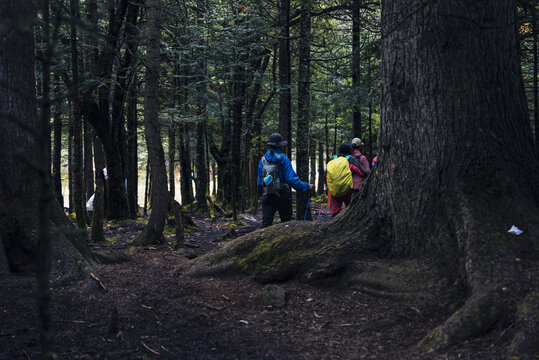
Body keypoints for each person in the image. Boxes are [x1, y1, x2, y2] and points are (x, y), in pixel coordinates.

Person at [257, 133, 315, 227]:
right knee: (286, 224)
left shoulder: (263, 160)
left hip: (267, 195)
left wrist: (262, 194)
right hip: (282, 195)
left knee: (266, 225)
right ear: (280, 146)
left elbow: (259, 182)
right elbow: (290, 179)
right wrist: (306, 186)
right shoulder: (284, 159)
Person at [329, 143, 365, 217]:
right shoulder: (351, 159)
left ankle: (335, 221)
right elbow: (362, 172)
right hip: (347, 188)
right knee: (349, 206)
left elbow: (327, 175)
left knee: (336, 209)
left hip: (334, 188)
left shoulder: (333, 159)